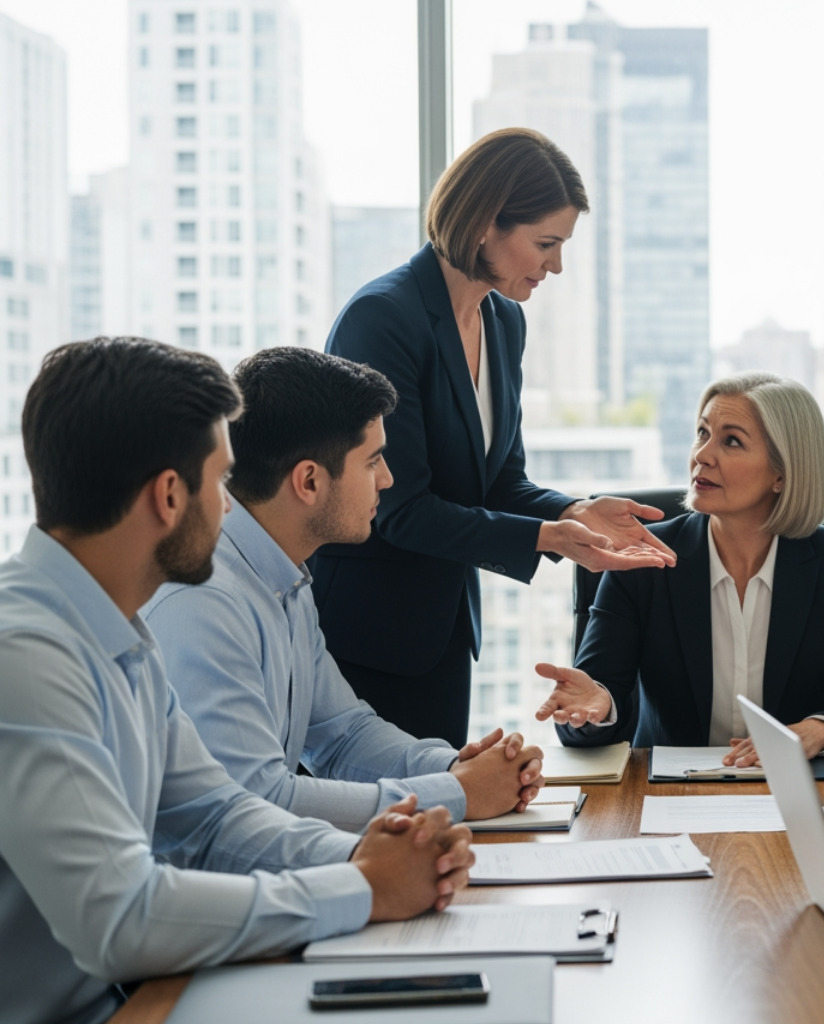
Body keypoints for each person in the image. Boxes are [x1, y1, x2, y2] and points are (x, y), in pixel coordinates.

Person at [0, 338, 475, 1024]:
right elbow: (121, 918)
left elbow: (215, 816)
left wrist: (373, 856)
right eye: (220, 483)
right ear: (169, 496)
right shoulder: (25, 656)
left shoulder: (117, 631)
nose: (232, 510)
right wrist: (362, 887)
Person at [316, 127, 676, 747]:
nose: (555, 265)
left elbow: (501, 479)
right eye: (545, 243)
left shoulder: (502, 320)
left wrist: (573, 510)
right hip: (367, 638)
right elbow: (397, 507)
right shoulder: (382, 319)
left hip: (442, 634)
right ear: (486, 223)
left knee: (441, 818)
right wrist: (546, 536)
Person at [144, 347, 545, 833]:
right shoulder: (204, 600)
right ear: (309, 481)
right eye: (373, 460)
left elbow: (342, 735)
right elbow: (257, 800)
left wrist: (453, 767)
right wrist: (459, 794)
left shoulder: (283, 576)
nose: (388, 479)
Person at [532, 372, 824, 764]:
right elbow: (589, 705)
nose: (702, 455)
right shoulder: (642, 557)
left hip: (791, 793)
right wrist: (597, 707)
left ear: (782, 473)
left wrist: (818, 730)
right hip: (668, 798)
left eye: (731, 441)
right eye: (702, 433)